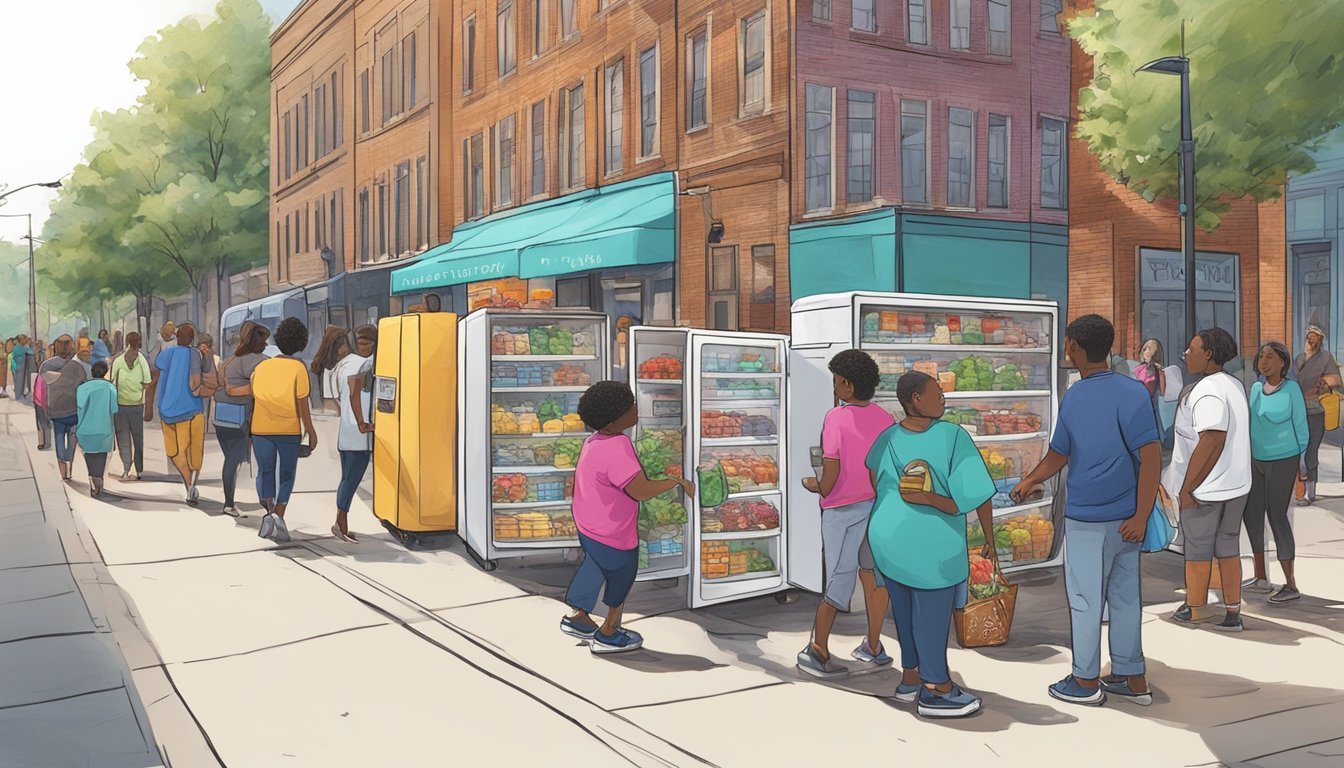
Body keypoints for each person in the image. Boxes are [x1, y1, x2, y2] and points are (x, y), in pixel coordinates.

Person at [1013, 315, 1161, 708]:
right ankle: (1133, 677)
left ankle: (1084, 680)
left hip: (1085, 518)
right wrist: (1141, 516)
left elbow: (1060, 453)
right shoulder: (1133, 393)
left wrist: (1029, 479)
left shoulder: (1076, 396)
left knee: (1084, 599)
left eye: (1067, 344)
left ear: (1075, 347)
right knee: (1127, 598)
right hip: (1128, 519)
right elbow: (1150, 458)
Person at [865, 371, 996, 718]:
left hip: (888, 539)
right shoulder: (953, 437)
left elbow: (873, 479)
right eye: (936, 393)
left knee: (905, 614)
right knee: (933, 617)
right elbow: (967, 498)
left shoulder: (888, 438)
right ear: (915, 400)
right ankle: (937, 688)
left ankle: (910, 679)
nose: (943, 399)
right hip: (932, 546)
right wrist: (989, 538)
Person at [560, 381, 695, 653]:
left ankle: (578, 617)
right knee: (621, 575)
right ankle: (609, 632)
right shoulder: (618, 445)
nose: (635, 409)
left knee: (595, 566)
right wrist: (675, 482)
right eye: (630, 407)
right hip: (613, 532)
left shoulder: (593, 441)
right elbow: (640, 491)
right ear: (613, 421)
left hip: (588, 525)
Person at [797, 349, 894, 678]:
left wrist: (816, 485)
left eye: (838, 382)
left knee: (839, 575)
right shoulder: (885, 418)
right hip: (876, 506)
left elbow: (832, 473)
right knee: (874, 576)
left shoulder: (836, 417)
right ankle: (873, 646)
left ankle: (817, 649)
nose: (836, 387)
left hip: (842, 509)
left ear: (849, 386)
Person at [1170, 327, 1252, 632]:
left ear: (1209, 354)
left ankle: (1195, 607)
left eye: (1192, 349)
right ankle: (1233, 611)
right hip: (1236, 484)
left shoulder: (1207, 390)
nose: (1186, 355)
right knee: (1228, 545)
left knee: (1198, 549)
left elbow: (1212, 439)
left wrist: (1188, 487)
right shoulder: (1234, 385)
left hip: (1207, 488)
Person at [1243, 342, 1308, 603]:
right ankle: (1261, 577)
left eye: (1270, 357)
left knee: (1277, 515)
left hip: (1284, 458)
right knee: (1252, 514)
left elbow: (1301, 427)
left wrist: (1300, 466)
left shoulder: (1291, 389)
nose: (1264, 361)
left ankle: (1290, 584)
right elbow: (1251, 424)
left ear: (1283, 362)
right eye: (1261, 356)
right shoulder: (1256, 389)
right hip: (1256, 459)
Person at [251, 318, 317, 543]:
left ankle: (268, 512)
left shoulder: (261, 367)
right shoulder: (299, 368)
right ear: (302, 343)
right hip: (288, 430)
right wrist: (311, 431)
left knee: (265, 470)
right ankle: (279, 514)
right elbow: (302, 405)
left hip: (260, 428)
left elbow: (255, 395)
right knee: (287, 474)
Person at [322, 325, 378, 542]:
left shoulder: (339, 366)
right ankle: (341, 523)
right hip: (358, 434)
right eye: (362, 343)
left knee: (348, 479)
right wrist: (362, 422)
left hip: (346, 432)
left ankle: (340, 522)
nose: (364, 347)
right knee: (351, 480)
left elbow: (338, 399)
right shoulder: (361, 364)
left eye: (367, 343)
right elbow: (354, 392)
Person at [215, 322, 270, 517]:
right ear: (256, 341)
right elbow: (263, 386)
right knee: (245, 459)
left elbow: (223, 385)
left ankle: (229, 503)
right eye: (263, 340)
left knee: (231, 459)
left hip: (221, 415)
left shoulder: (229, 360)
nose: (266, 344)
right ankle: (236, 505)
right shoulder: (258, 361)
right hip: (241, 416)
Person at [149, 323, 206, 504]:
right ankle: (191, 485)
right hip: (191, 409)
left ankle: (188, 483)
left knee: (175, 453)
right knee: (192, 451)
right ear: (192, 339)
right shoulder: (195, 354)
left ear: (177, 337)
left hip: (167, 410)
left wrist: (162, 341)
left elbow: (154, 362)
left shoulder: (167, 354)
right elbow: (196, 382)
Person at [1292, 325, 1339, 505]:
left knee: (1311, 452)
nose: (1310, 340)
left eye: (1314, 337)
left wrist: (1324, 384)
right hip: (1297, 412)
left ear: (1320, 340)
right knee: (1298, 452)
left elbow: (1335, 378)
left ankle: (1309, 492)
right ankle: (1299, 491)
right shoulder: (1299, 359)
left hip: (1316, 413)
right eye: (1308, 337)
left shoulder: (1326, 358)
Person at [40, 336, 87, 483]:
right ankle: (70, 467)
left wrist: (44, 410)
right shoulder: (78, 367)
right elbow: (83, 388)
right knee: (72, 440)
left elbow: (42, 391)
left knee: (59, 438)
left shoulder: (46, 366)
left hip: (56, 410)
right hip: (74, 410)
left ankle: (63, 472)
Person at [110, 332, 153, 480]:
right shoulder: (142, 360)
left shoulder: (118, 361)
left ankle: (126, 469)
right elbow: (148, 382)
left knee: (123, 437)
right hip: (137, 405)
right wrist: (138, 386)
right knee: (138, 437)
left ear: (126, 342)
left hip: (120, 404)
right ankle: (139, 470)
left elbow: (111, 382)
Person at [76, 361, 119, 498]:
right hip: (104, 427)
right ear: (105, 372)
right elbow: (114, 408)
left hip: (85, 427)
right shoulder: (110, 387)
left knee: (89, 455)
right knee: (101, 456)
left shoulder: (82, 388)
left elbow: (79, 404)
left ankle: (93, 479)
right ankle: (99, 479)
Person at [11, 334, 33, 401]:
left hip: (23, 367)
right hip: (18, 367)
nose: (26, 340)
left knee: (22, 382)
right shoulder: (18, 347)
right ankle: (18, 396)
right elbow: (29, 352)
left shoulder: (24, 347)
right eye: (24, 339)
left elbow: (31, 352)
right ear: (21, 340)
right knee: (19, 382)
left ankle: (21, 395)